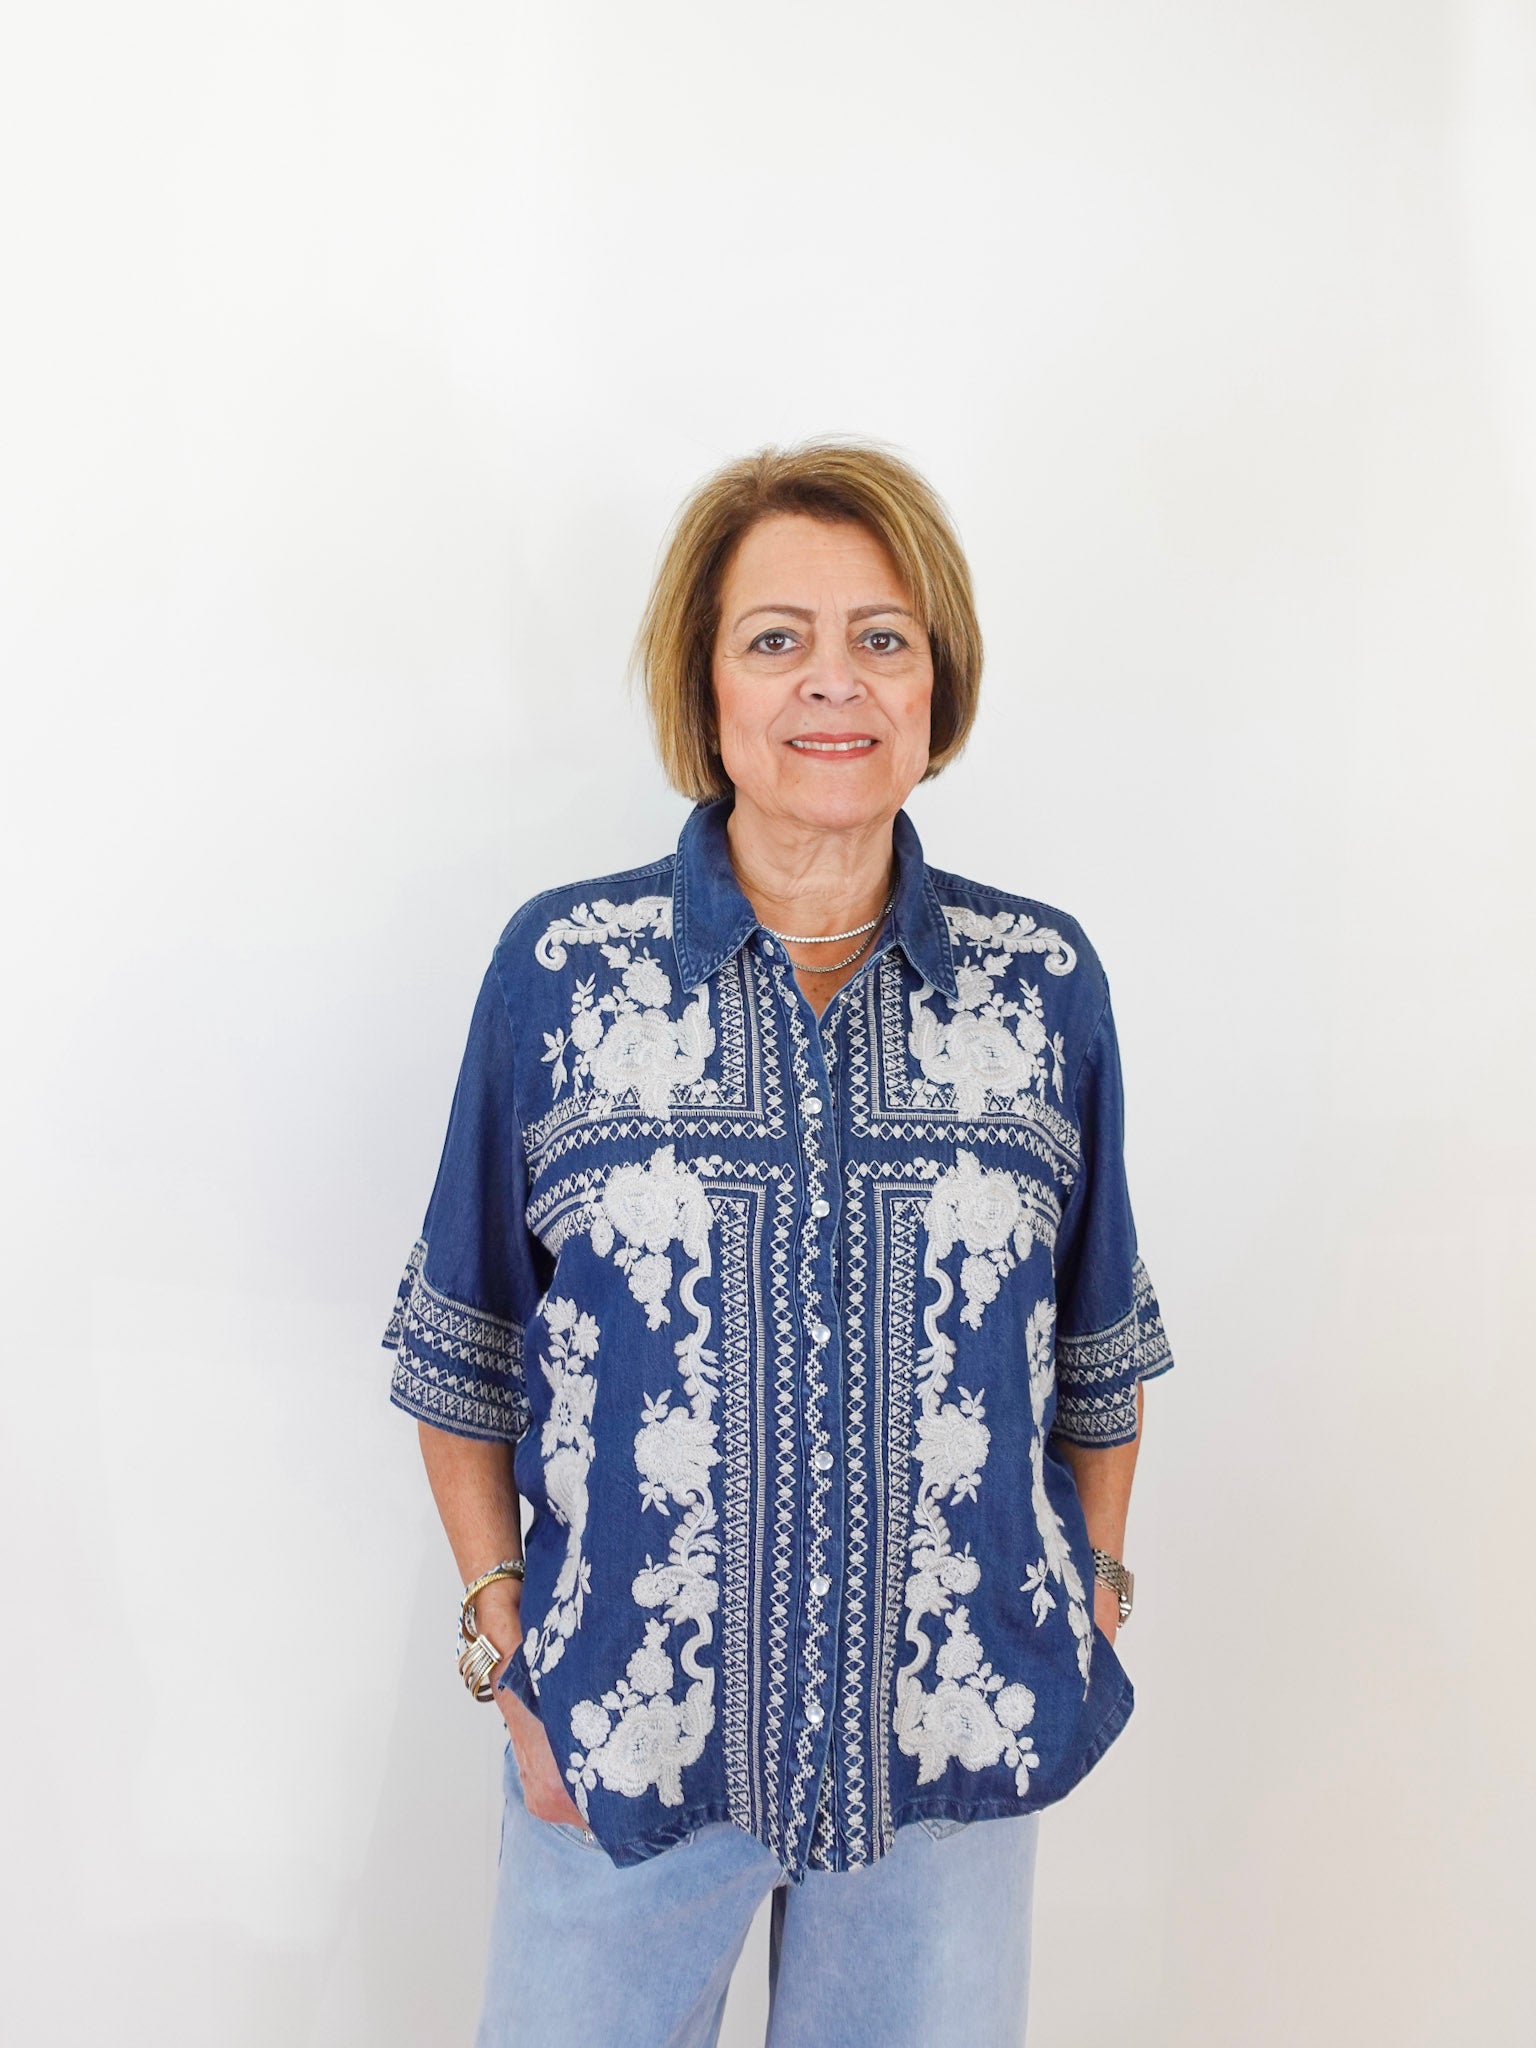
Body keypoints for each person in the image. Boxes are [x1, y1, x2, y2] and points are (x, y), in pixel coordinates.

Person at [381, 439, 1175, 2047]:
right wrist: (509, 1647)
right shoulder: (565, 974)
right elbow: (459, 1351)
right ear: (707, 683)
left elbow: (1098, 1355)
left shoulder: (1041, 986)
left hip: (949, 1763)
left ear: (936, 685)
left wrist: (1086, 1589)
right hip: (622, 1750)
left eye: (884, 637)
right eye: (778, 638)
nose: (837, 682)